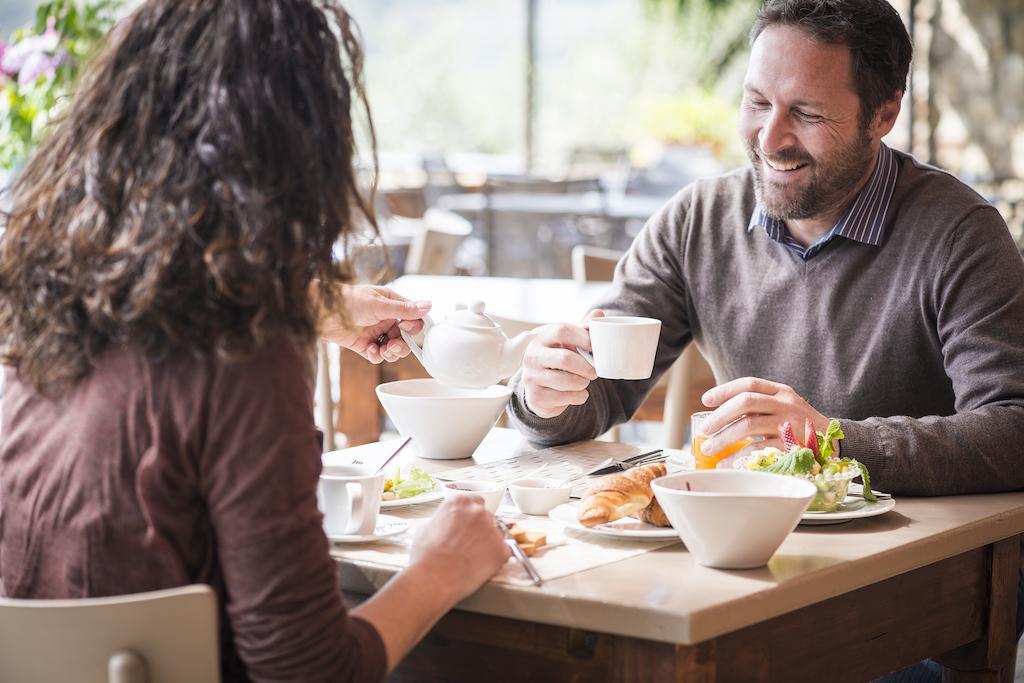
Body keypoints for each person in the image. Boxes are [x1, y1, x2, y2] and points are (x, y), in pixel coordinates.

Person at [508, 0, 1024, 679]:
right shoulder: (696, 219)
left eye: (806, 114)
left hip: (906, 601)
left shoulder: (959, 234)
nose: (769, 137)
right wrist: (543, 393)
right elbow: (597, 393)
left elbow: (1014, 430)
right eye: (757, 102)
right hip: (739, 574)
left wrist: (828, 441)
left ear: (883, 114)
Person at [0, 1, 509, 681]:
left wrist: (306, 307)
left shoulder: (43, 300)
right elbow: (310, 670)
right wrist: (441, 567)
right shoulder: (245, 358)